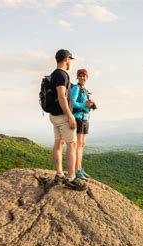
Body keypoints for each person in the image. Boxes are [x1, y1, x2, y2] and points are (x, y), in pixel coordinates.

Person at [49, 49, 87, 191]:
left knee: (59, 143)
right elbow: (61, 96)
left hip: (54, 115)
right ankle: (71, 178)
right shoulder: (62, 75)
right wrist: (70, 116)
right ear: (66, 59)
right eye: (70, 59)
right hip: (63, 116)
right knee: (72, 145)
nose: (70, 62)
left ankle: (59, 174)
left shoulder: (53, 74)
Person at [71, 69, 95, 180]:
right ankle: (77, 170)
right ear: (77, 77)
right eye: (80, 76)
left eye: (84, 76)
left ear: (87, 77)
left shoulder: (84, 90)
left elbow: (84, 104)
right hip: (78, 119)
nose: (82, 78)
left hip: (85, 118)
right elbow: (72, 102)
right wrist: (84, 104)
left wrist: (91, 104)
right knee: (78, 145)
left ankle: (79, 169)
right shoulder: (76, 88)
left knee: (82, 145)